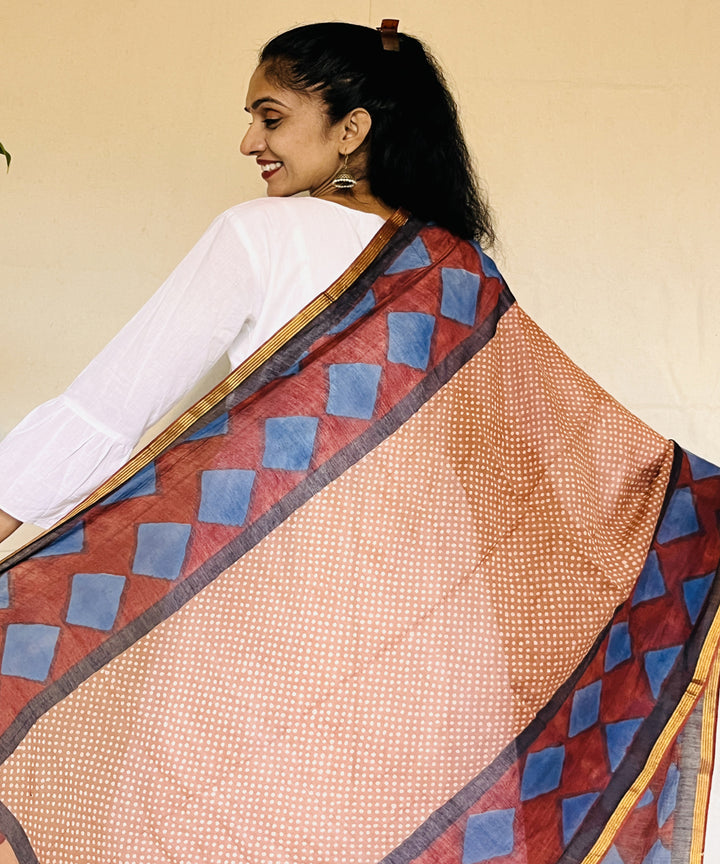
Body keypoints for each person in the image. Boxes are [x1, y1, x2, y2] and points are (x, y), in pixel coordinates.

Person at [0, 21, 717, 864]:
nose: (248, 142)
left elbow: (110, 409)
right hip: (440, 641)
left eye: (269, 118)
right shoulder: (459, 270)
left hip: (269, 612)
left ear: (351, 129)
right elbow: (540, 468)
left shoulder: (261, 237)